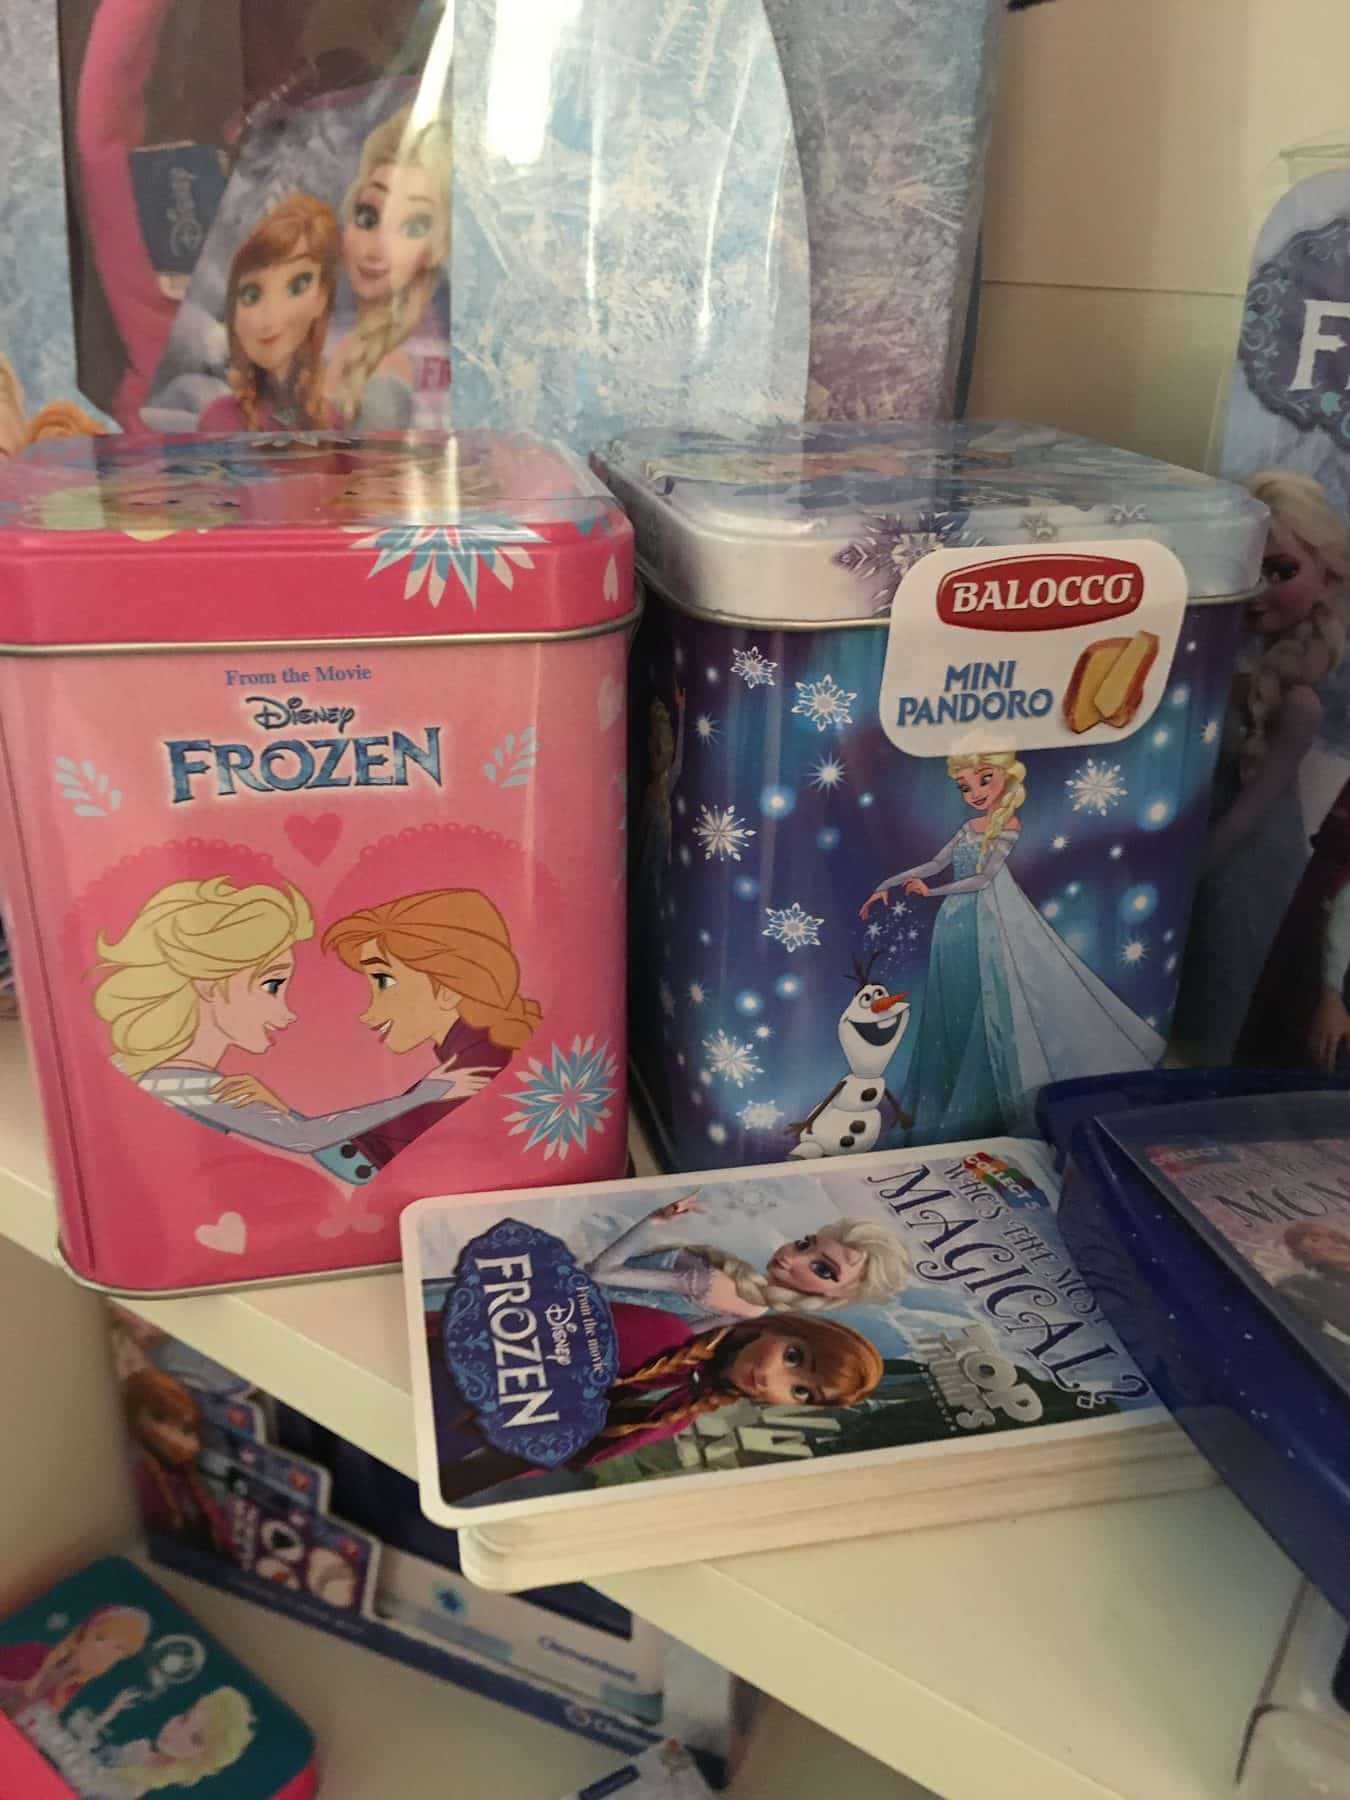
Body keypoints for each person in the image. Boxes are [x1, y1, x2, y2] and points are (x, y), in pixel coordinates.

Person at [92, 877, 481, 1183]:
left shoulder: (168, 1077)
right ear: (209, 985)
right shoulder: (183, 1084)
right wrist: (425, 1093)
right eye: (271, 985)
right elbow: (303, 1137)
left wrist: (278, 1109)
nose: (288, 1012)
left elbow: (306, 1137)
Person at [859, 750, 1161, 1140]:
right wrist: (887, 884)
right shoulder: (969, 827)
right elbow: (934, 864)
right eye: (964, 785)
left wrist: (930, 892)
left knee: (986, 1004)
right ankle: (947, 1100)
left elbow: (983, 879)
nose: (974, 792)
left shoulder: (1008, 826)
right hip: (952, 922)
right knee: (951, 1002)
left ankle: (980, 1105)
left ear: (1007, 776)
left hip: (983, 920)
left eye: (984, 779)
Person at [1175, 470, 1350, 1064]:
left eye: (1281, 571)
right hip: (1199, 855)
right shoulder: (1225, 666)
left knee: (1212, 1012)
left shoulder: (1297, 703)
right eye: (1247, 568)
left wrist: (1184, 874)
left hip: (1240, 872)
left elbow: (1247, 817)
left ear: (1327, 578)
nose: (1259, 589)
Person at [430, 1308, 883, 1503]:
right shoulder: (664, 1334)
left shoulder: (682, 1410)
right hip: (447, 1385)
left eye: (801, 1393)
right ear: (779, 1329)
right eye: (793, 1357)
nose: (772, 1379)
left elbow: (557, 1458)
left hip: (464, 1457)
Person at [308, 887, 542, 1170]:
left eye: (384, 981)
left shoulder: (471, 1076)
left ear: (447, 989)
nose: (368, 1014)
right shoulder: (473, 1062)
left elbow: (360, 1167)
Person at [587, 1194, 910, 1329]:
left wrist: (653, 1221)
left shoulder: (718, 1284)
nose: (791, 1257)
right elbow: (680, 1336)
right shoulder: (753, 1308)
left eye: (822, 1269)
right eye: (804, 1244)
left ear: (834, 1295)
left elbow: (602, 1274)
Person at [325, 105, 452, 429]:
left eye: (412, 227)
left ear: (438, 248)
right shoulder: (323, 337)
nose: (377, 249)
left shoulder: (424, 364)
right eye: (367, 217)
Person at [198, 193, 341, 432]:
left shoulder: (331, 419)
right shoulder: (218, 420)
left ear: (321, 297)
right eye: (251, 295)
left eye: (297, 285)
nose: (270, 317)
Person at [122, 1367, 229, 1555]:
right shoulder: (145, 1481)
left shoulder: (186, 1473)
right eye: (161, 1419)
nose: (186, 1443)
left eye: (188, 1430)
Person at [100, 1688, 254, 1795]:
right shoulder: (141, 1748)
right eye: (184, 1718)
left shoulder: (139, 1784)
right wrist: (111, 1711)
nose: (177, 1733)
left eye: (195, 1739)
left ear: (201, 1757)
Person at [0, 1607, 150, 1716]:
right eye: (100, 1638)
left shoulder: (71, 1689)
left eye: (120, 1650)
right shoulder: (34, 1652)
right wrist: (17, 1688)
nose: (108, 1654)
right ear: (85, 1634)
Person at [1279, 1222, 1350, 1348]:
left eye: (1334, 1237)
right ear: (1305, 1254)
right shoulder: (1318, 1290)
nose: (1332, 1244)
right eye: (1315, 1240)